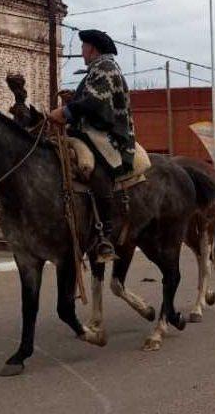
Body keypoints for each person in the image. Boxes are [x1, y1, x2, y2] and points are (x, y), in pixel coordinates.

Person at [47, 29, 135, 262]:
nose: (82, 52)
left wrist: (65, 111)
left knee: (96, 171)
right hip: (90, 132)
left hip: (111, 136)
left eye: (84, 48)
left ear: (93, 49)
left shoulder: (106, 69)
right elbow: (89, 101)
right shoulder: (95, 71)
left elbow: (97, 103)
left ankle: (104, 234)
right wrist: (73, 99)